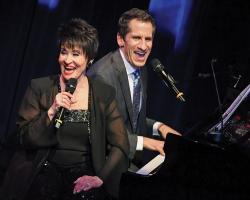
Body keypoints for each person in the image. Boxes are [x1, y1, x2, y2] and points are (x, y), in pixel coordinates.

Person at [1, 18, 129, 200]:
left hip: (82, 175)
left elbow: (120, 144)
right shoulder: (40, 87)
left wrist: (99, 178)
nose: (68, 60)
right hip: (41, 172)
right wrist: (52, 110)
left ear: (89, 59)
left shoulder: (103, 93)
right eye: (64, 52)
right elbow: (24, 138)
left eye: (76, 54)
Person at [87, 8, 180, 170]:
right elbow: (102, 134)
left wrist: (159, 127)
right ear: (120, 39)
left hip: (128, 162)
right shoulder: (102, 76)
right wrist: (146, 142)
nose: (144, 46)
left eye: (148, 39)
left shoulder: (140, 68)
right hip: (103, 166)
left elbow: (131, 120)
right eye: (137, 38)